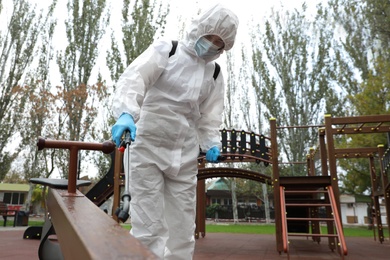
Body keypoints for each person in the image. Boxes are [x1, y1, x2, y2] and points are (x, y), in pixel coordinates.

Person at [111, 3, 238, 259]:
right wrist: (126, 112)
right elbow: (135, 78)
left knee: (182, 227)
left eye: (218, 43)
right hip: (146, 144)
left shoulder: (213, 73)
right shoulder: (167, 50)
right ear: (199, 29)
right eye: (209, 37)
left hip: (184, 155)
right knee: (148, 224)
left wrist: (211, 142)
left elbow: (210, 116)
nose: (211, 45)